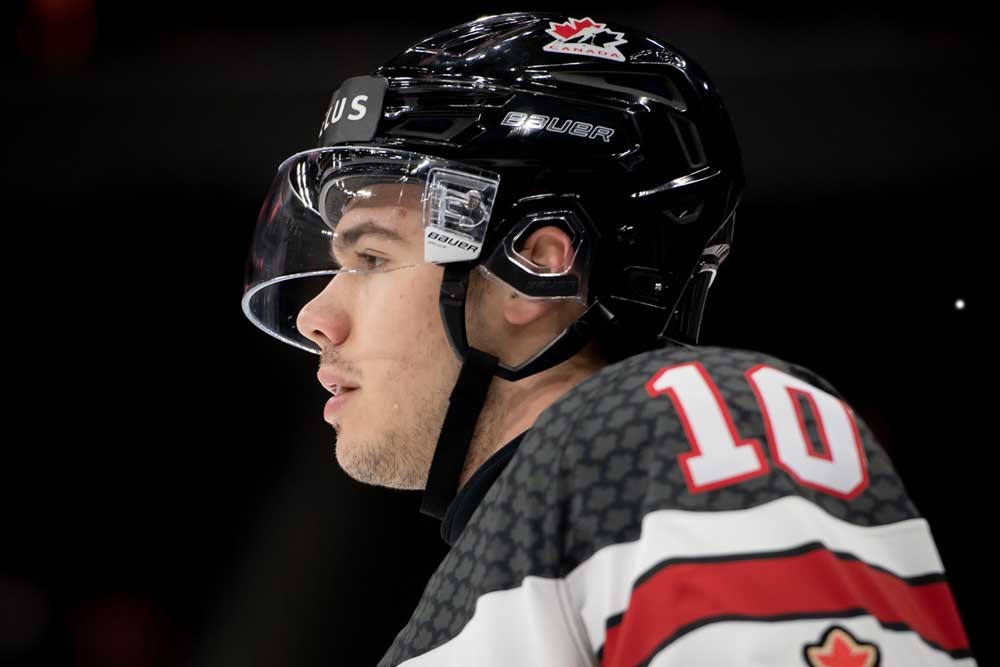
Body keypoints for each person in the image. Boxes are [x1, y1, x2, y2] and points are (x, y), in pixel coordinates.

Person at [241, 12, 975, 666]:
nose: (316, 316)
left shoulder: (691, 422)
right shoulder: (476, 592)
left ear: (535, 263)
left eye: (370, 258)